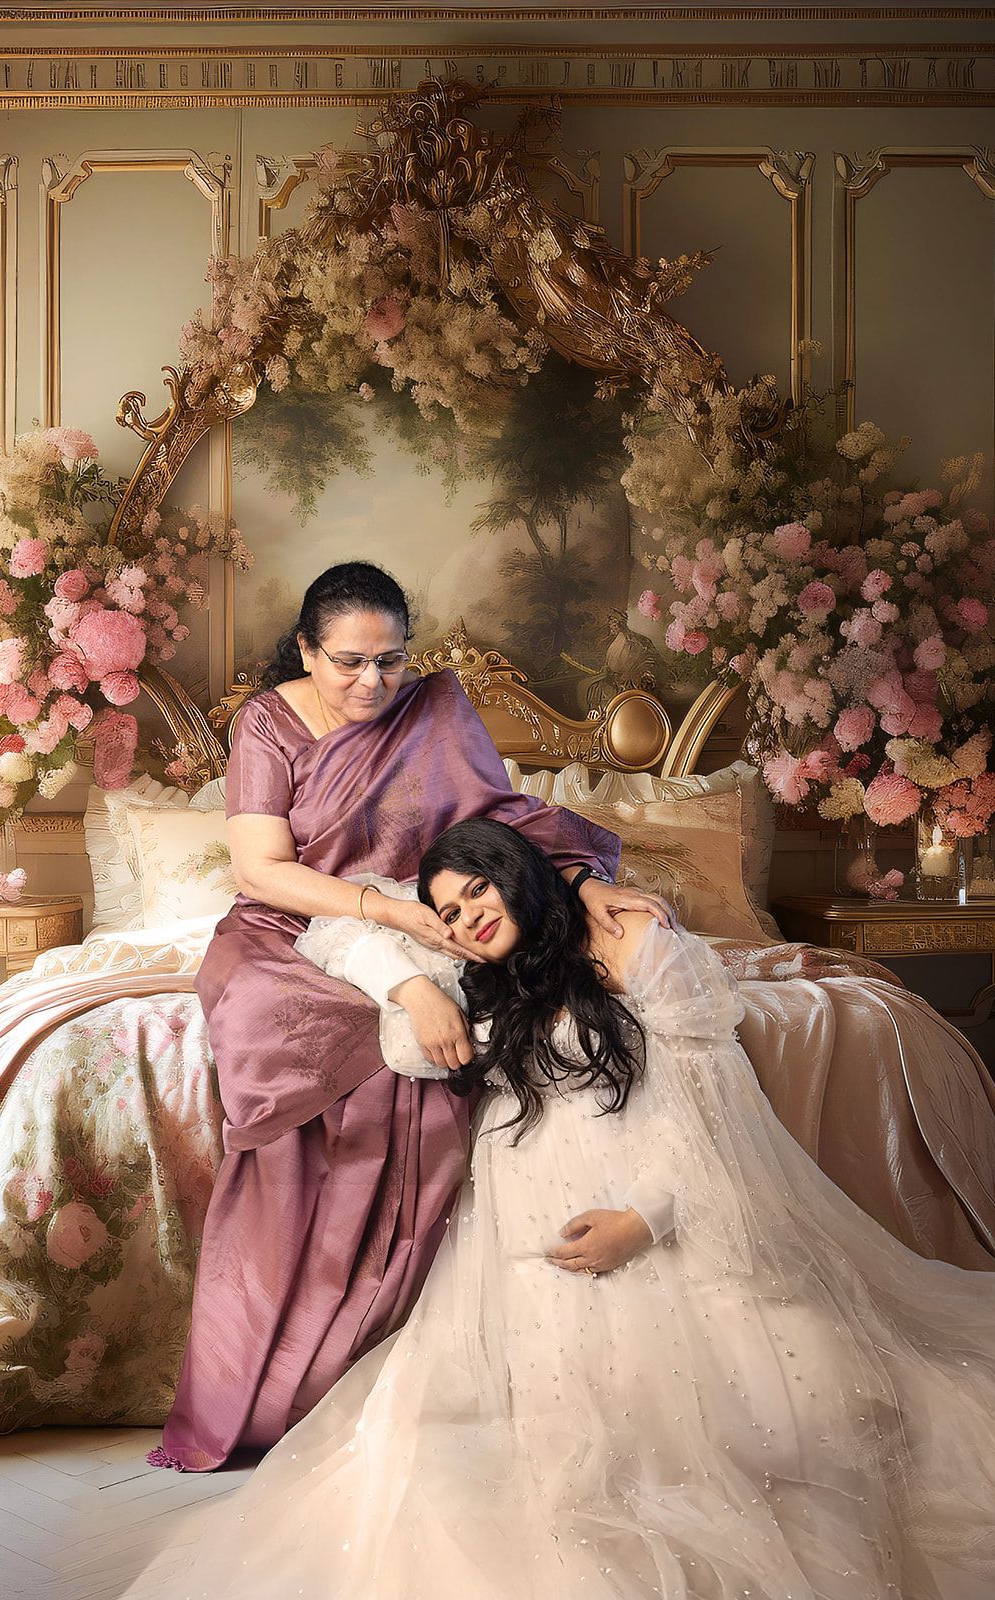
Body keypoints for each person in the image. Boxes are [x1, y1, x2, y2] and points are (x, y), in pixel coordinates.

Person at [170, 817, 995, 1599]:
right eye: (451, 904)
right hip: (523, 1247)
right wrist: (410, 981)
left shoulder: (633, 943)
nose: (470, 912)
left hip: (661, 1214)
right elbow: (320, 930)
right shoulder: (478, 978)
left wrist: (643, 1221)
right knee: (498, 1457)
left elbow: (712, 1120)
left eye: (481, 885)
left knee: (787, 1428)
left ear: (520, 872)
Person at [148, 563, 673, 1472]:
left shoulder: (435, 708)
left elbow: (498, 819)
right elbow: (262, 871)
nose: (372, 684)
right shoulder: (266, 723)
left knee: (456, 1044)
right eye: (348, 662)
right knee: (305, 1035)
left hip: (428, 917)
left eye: (390, 662)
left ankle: (392, 1350)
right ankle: (274, 1368)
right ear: (307, 651)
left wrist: (584, 887)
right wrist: (387, 919)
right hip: (293, 926)